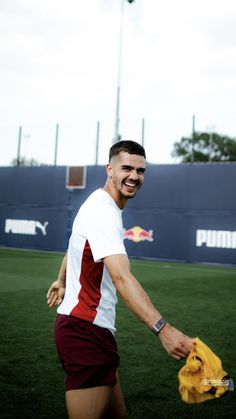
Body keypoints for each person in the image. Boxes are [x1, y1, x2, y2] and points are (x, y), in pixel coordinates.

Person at [47, 140, 194, 419]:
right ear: (109, 169)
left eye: (140, 171)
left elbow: (75, 244)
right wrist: (164, 330)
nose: (134, 177)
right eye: (126, 168)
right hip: (84, 332)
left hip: (92, 331)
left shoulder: (98, 202)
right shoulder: (103, 212)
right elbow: (122, 278)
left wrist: (61, 279)